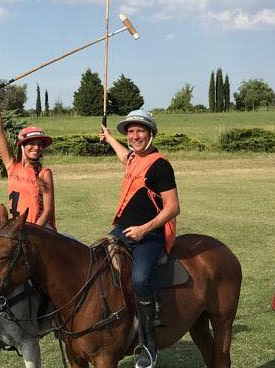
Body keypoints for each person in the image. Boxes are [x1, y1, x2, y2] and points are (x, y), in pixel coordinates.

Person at [99, 109, 180, 368]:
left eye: (140, 131)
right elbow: (125, 157)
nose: (134, 136)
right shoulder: (134, 157)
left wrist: (144, 229)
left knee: (140, 279)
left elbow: (173, 207)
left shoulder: (160, 166)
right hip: (122, 230)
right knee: (94, 261)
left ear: (151, 134)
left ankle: (149, 346)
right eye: (131, 131)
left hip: (150, 235)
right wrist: (110, 138)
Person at [0, 83, 56, 230]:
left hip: (40, 231)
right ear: (22, 146)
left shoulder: (45, 173)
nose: (36, 147)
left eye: (40, 144)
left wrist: (31, 233)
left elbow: (48, 210)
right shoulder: (12, 167)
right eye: (31, 143)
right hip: (16, 231)